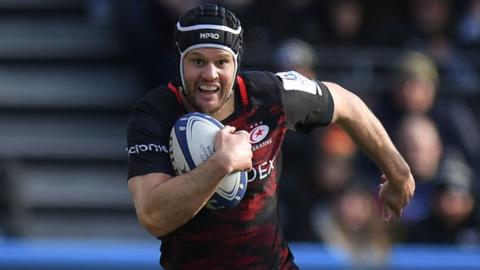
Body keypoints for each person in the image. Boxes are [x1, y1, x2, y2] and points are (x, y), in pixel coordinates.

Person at [126, 4, 415, 269]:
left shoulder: (270, 97)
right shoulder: (155, 114)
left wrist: (399, 172)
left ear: (236, 62)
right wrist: (221, 164)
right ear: (180, 61)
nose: (210, 74)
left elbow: (347, 104)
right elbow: (153, 216)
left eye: (222, 62)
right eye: (198, 61)